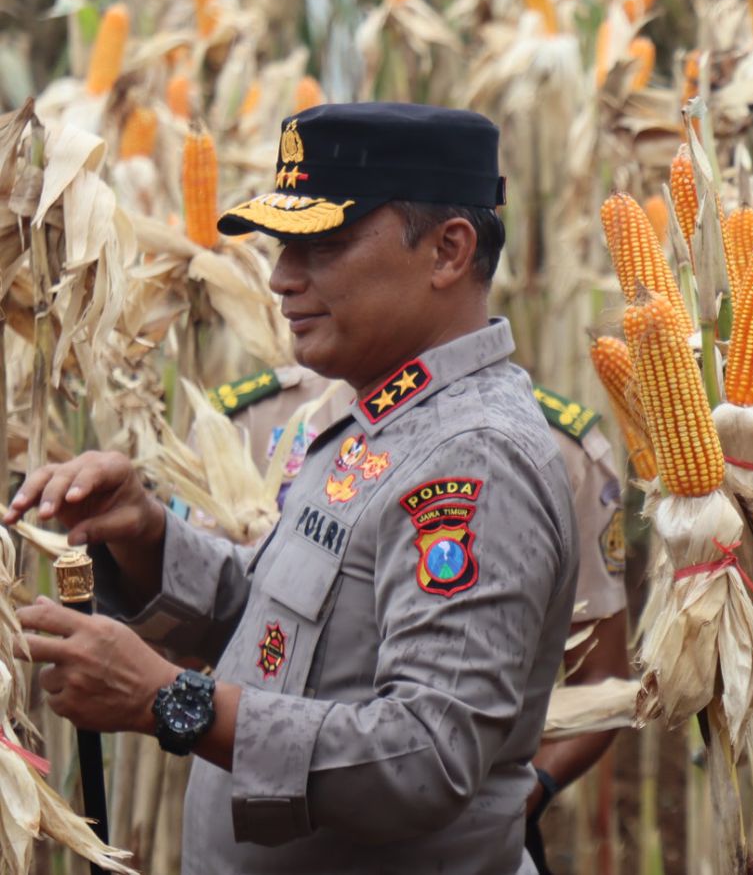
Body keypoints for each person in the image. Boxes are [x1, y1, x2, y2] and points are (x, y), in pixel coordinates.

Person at [6, 103, 576, 874]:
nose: (278, 279)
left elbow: (426, 757)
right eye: (281, 246)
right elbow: (278, 631)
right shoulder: (382, 418)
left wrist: (172, 702)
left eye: (324, 245)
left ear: (448, 251)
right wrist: (147, 537)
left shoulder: (472, 462)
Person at [206, 363, 629, 871]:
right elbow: (224, 632)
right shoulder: (242, 420)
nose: (286, 282)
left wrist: (519, 797)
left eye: (316, 273)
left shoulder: (529, 448)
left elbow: (600, 679)